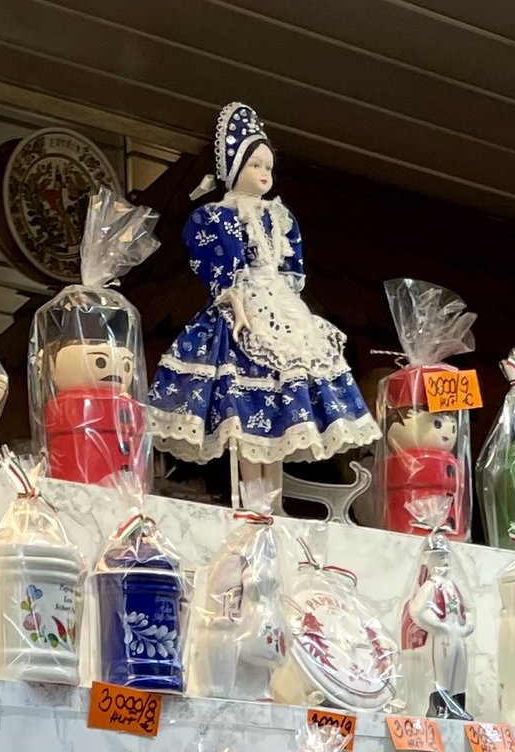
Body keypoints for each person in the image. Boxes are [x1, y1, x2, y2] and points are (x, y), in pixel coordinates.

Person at [149, 101, 378, 500]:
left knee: (282, 400)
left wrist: (294, 310)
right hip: (243, 307)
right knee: (243, 398)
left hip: (280, 307)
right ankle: (252, 495)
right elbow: (221, 264)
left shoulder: (281, 216)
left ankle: (273, 497)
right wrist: (236, 304)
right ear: (234, 167)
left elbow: (291, 268)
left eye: (268, 166)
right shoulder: (217, 216)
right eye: (254, 164)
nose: (264, 173)